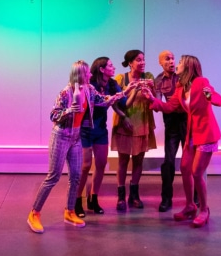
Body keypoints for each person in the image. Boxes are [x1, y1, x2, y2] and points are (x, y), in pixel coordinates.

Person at [27, 60, 121, 234]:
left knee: (76, 176)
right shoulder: (65, 92)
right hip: (61, 136)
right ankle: (34, 213)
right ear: (80, 74)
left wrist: (119, 95)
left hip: (76, 136)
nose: (91, 75)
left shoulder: (89, 89)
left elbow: (102, 101)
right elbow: (53, 115)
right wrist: (69, 110)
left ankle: (70, 211)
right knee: (53, 177)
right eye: (87, 73)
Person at [143, 55, 221, 228]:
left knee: (196, 172)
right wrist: (151, 99)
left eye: (179, 62)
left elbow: (219, 100)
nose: (176, 64)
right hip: (192, 135)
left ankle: (204, 210)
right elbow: (169, 107)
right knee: (185, 168)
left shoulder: (201, 82)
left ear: (188, 66)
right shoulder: (180, 88)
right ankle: (189, 206)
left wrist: (210, 96)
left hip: (206, 134)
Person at [74, 57, 135, 217]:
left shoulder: (112, 84)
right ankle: (77, 200)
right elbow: (101, 102)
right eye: (110, 65)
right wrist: (126, 91)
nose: (113, 67)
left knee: (101, 164)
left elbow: (122, 103)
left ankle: (93, 198)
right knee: (85, 165)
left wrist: (134, 90)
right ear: (101, 69)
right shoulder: (91, 84)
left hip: (100, 129)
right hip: (85, 129)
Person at [111, 49, 157, 211]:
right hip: (124, 123)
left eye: (143, 59)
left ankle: (134, 195)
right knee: (123, 161)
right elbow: (115, 103)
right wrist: (124, 117)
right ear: (130, 63)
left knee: (138, 161)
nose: (142, 62)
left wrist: (151, 90)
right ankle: (121, 196)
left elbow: (155, 101)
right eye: (138, 60)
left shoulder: (149, 77)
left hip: (142, 123)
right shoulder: (120, 79)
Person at [154, 50, 189, 212]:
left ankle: (194, 197)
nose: (172, 61)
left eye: (173, 58)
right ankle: (166, 198)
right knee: (168, 161)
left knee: (190, 160)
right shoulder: (159, 80)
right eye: (167, 59)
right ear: (161, 63)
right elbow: (157, 104)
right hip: (171, 122)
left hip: (187, 120)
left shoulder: (184, 76)